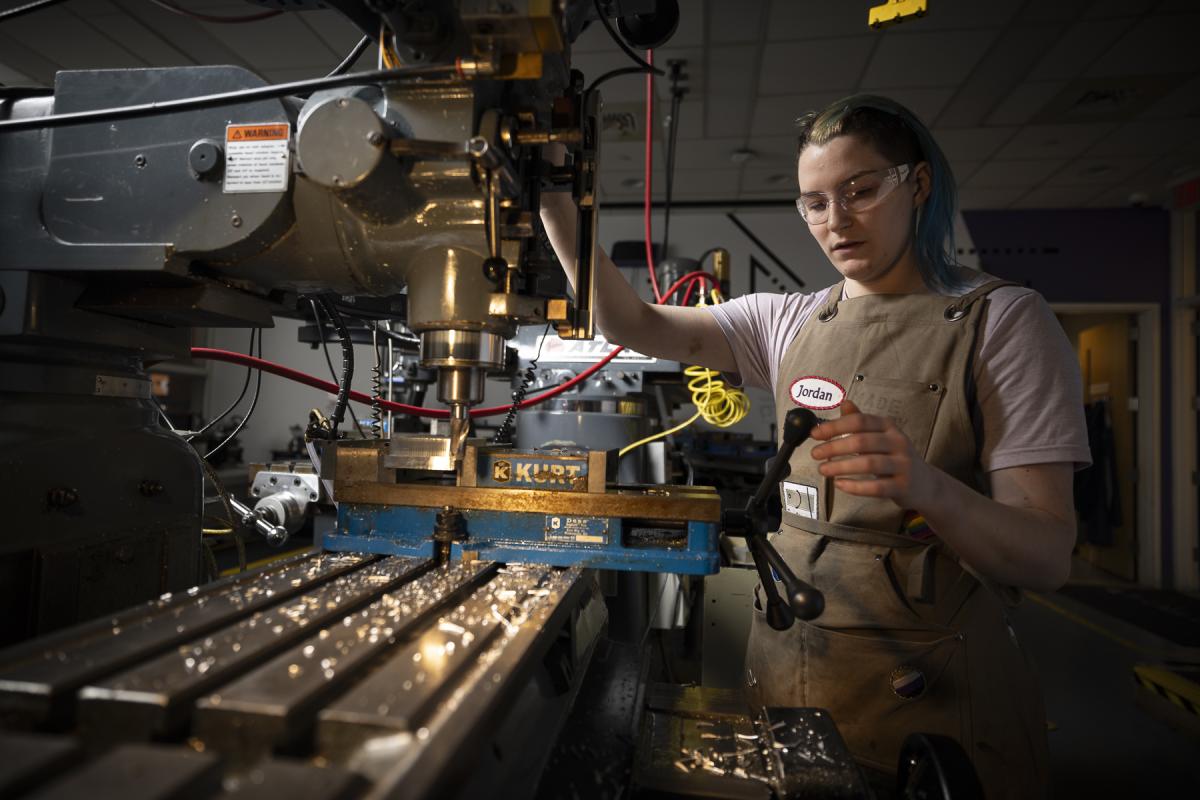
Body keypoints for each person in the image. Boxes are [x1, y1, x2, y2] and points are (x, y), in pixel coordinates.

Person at [540, 94, 1090, 798]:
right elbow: (629, 320)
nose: (837, 221)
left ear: (917, 184)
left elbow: (1046, 557)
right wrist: (556, 196)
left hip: (931, 705)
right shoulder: (788, 321)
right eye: (815, 203)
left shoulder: (1003, 321)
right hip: (790, 677)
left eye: (860, 191)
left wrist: (927, 487)